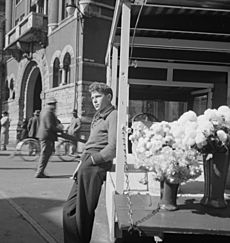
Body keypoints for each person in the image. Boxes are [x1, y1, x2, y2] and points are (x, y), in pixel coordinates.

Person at [63, 82, 117, 243]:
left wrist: (92, 160)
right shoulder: (98, 116)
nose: (94, 100)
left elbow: (112, 148)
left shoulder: (113, 115)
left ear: (108, 97)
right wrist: (80, 165)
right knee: (69, 209)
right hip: (86, 163)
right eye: (92, 97)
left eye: (98, 96)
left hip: (95, 165)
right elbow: (89, 144)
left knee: (83, 211)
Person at [35, 98, 63, 178]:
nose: (55, 106)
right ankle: (39, 172)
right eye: (54, 104)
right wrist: (59, 129)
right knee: (45, 154)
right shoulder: (48, 113)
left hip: (45, 135)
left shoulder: (43, 112)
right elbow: (49, 126)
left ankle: (40, 171)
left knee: (46, 153)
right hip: (47, 136)